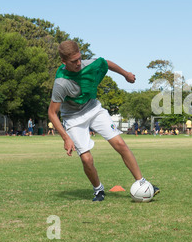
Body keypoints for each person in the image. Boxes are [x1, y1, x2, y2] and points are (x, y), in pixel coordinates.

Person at [47, 40, 159, 201]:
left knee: (120, 143)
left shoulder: (89, 65)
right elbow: (52, 113)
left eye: (79, 58)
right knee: (86, 158)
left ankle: (142, 182)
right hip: (73, 118)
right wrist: (66, 138)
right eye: (73, 61)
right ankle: (98, 189)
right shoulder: (61, 83)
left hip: (93, 109)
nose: (79, 63)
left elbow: (106, 63)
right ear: (64, 62)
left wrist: (126, 74)